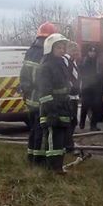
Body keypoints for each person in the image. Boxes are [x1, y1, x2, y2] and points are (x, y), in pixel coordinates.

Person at [36, 33, 80, 172]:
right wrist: (51, 112)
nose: (62, 50)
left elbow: (65, 84)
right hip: (51, 109)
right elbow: (44, 92)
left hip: (62, 106)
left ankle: (58, 167)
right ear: (50, 48)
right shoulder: (46, 67)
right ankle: (53, 169)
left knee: (61, 140)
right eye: (59, 48)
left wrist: (72, 91)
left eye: (63, 47)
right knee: (53, 139)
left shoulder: (61, 64)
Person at [19, 21, 56, 164]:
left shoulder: (31, 51)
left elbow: (24, 75)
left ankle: (31, 156)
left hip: (31, 98)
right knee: (41, 129)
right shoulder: (45, 54)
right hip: (41, 98)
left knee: (34, 129)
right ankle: (39, 160)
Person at [78, 45, 103, 131]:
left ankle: (93, 125)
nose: (93, 53)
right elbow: (82, 73)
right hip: (87, 87)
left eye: (94, 51)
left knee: (96, 106)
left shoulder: (98, 62)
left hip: (96, 87)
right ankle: (82, 122)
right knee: (85, 105)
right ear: (88, 52)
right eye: (91, 51)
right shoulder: (85, 61)